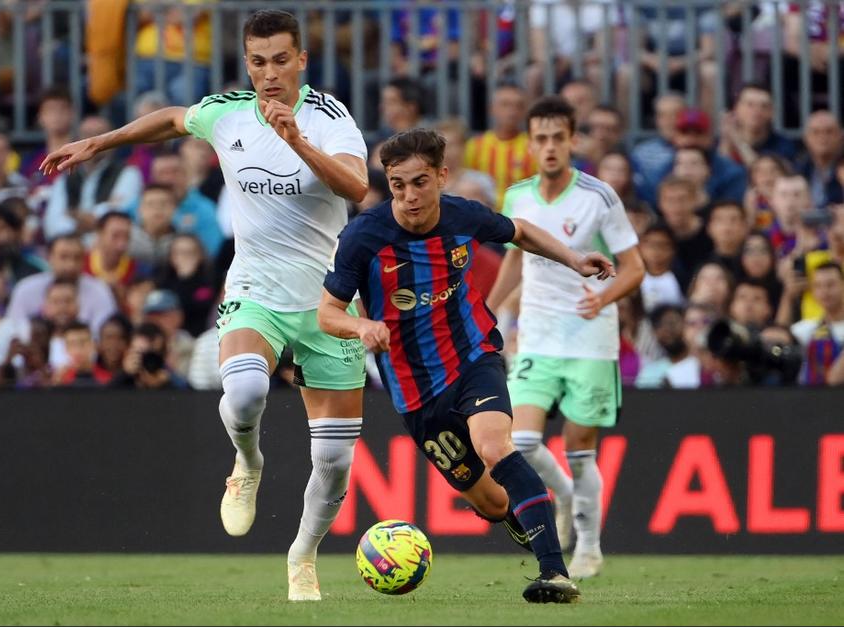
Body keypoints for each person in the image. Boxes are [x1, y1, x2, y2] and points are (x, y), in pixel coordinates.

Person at [40, 9, 370, 602]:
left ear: (302, 61)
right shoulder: (228, 112)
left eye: (280, 60)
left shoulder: (329, 119)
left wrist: (294, 139)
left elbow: (356, 187)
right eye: (259, 61)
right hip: (254, 291)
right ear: (248, 63)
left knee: (336, 461)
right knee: (245, 392)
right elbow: (170, 119)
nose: (270, 74)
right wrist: (101, 140)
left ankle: (303, 555)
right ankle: (247, 463)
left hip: (327, 299)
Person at [321, 128, 616, 602]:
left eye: (419, 182)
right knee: (494, 502)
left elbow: (520, 232)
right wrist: (360, 327)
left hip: (473, 357)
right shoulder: (363, 236)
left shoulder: (462, 215)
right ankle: (526, 522)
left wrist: (575, 259)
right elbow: (327, 312)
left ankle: (555, 573)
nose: (409, 196)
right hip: (415, 391)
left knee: (496, 446)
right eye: (398, 186)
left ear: (441, 176)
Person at [487, 96, 645, 579]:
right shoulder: (518, 197)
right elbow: (516, 256)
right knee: (521, 439)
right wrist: (490, 310)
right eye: (541, 138)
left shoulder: (598, 198)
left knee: (580, 446)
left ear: (573, 140)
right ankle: (564, 494)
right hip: (536, 335)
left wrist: (604, 298)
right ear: (530, 144)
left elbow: (635, 268)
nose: (550, 146)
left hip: (590, 340)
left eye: (559, 137)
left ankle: (590, 547)